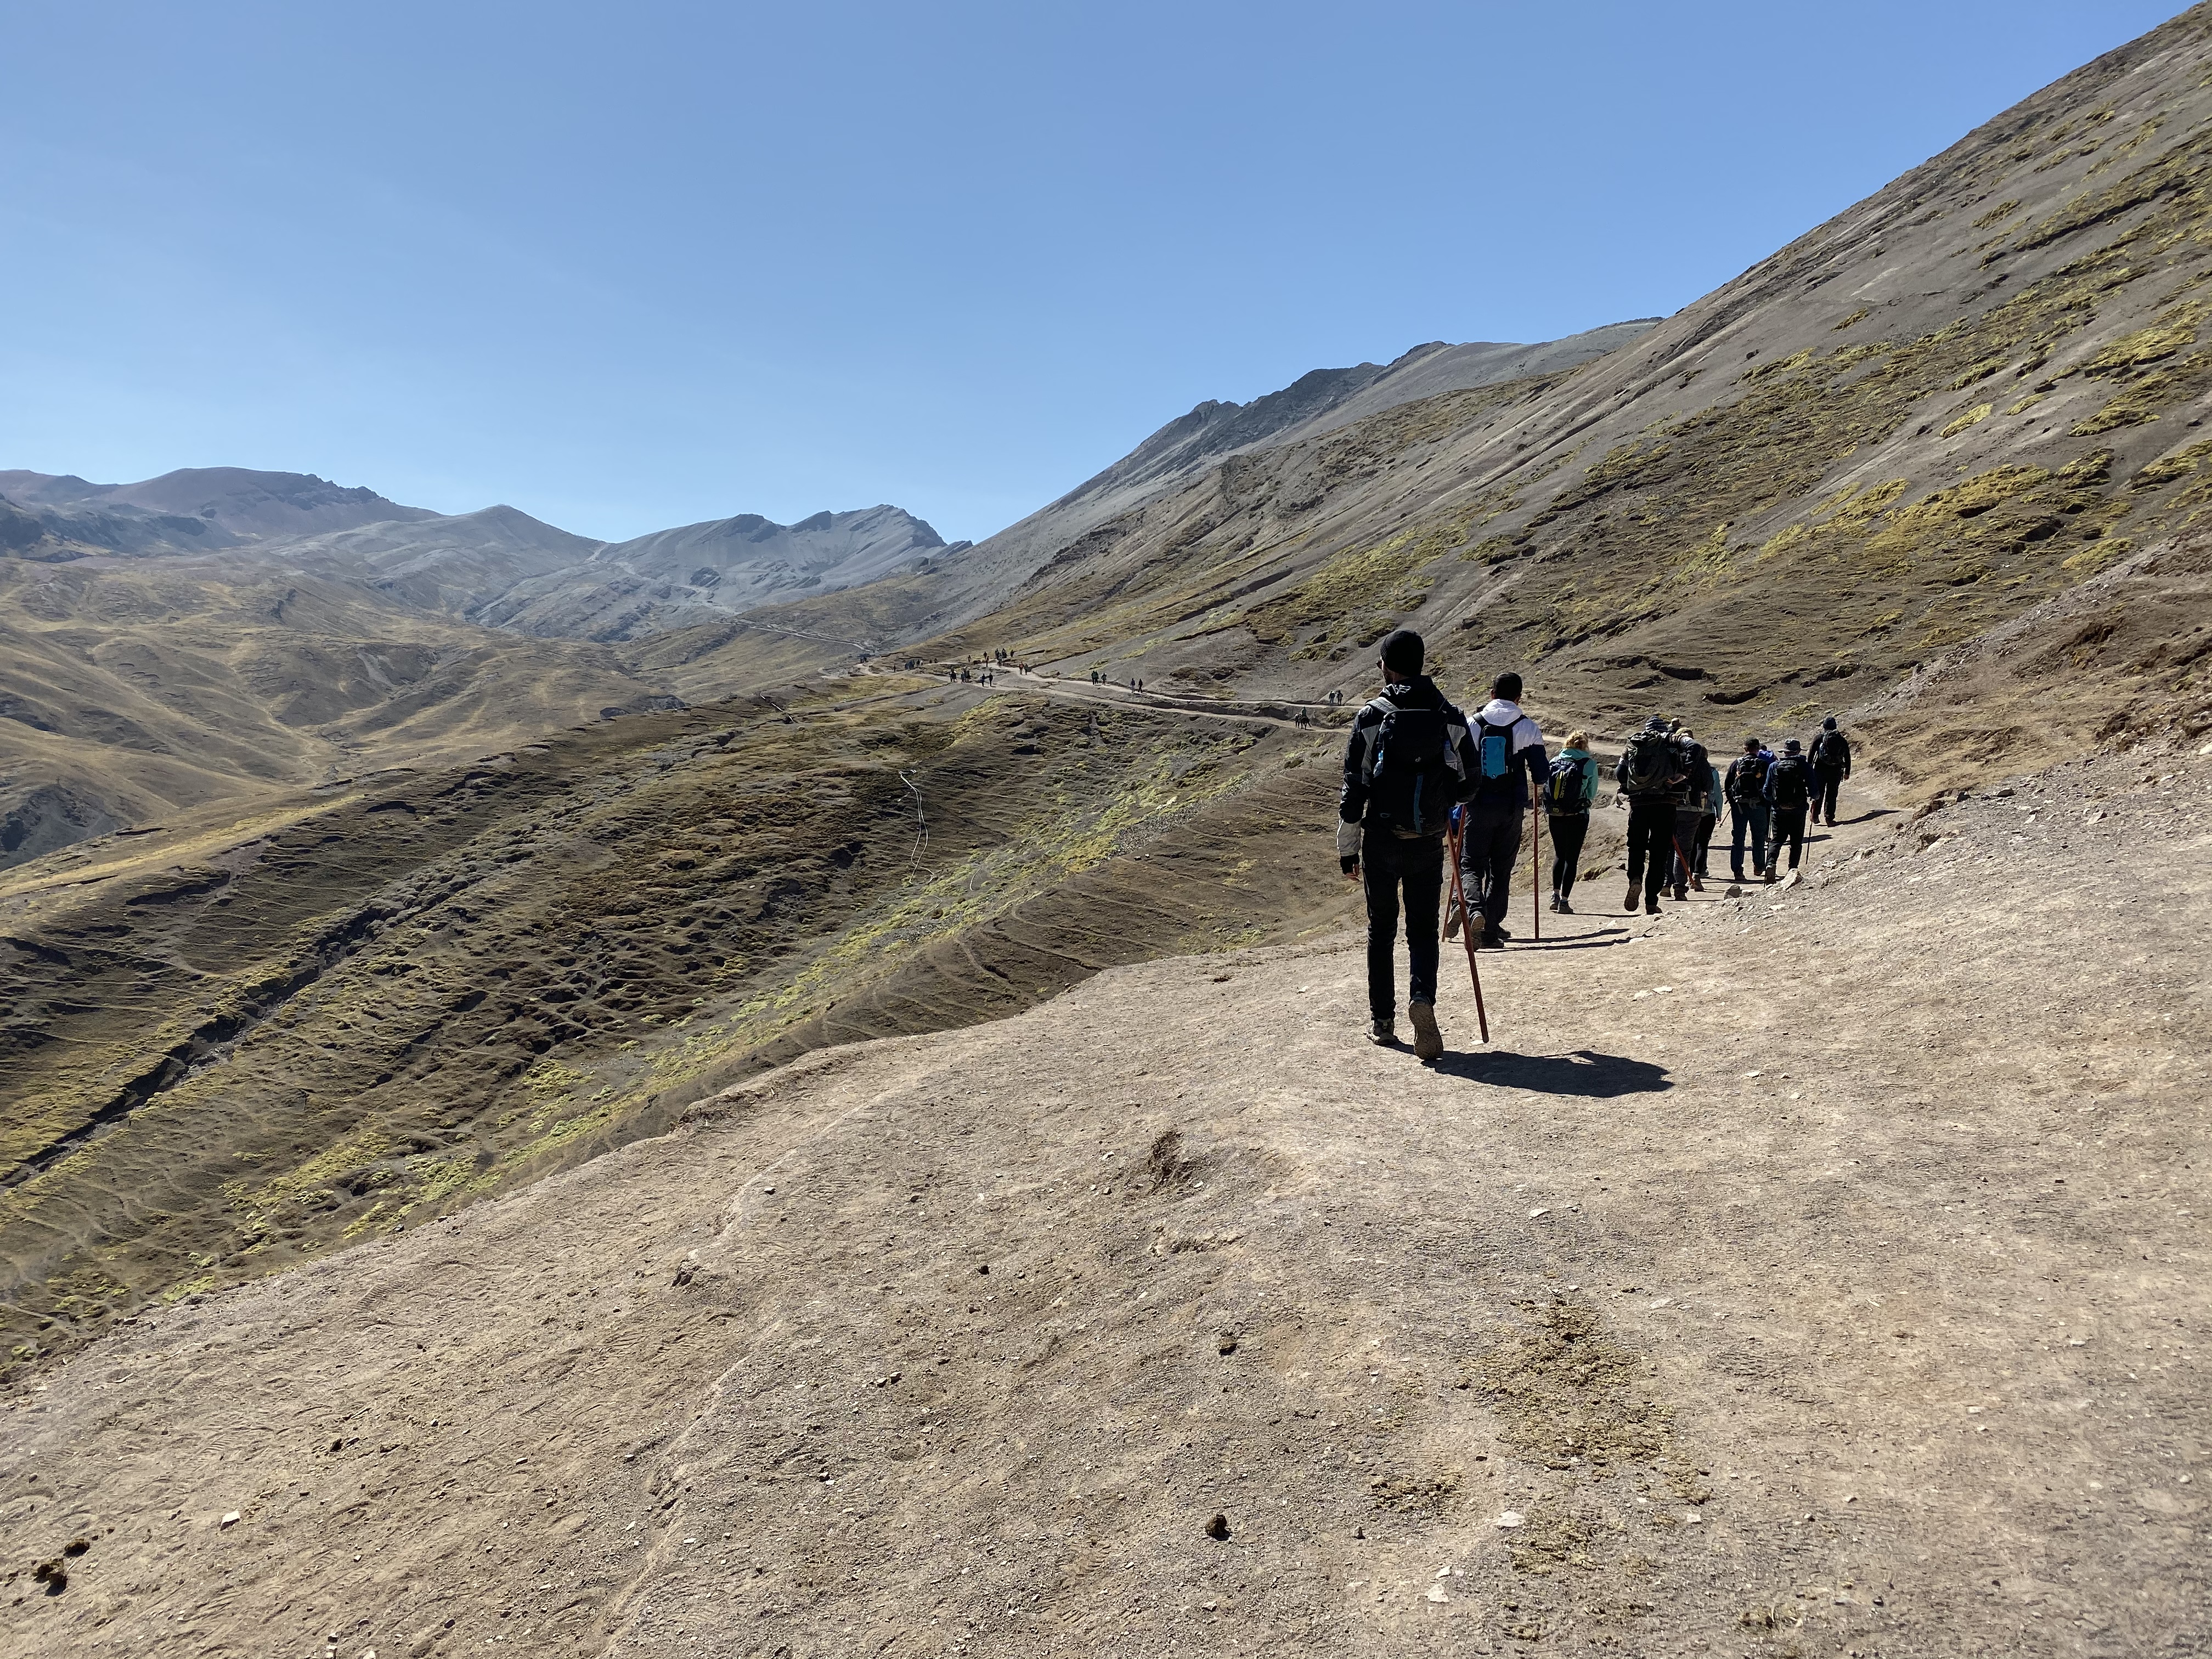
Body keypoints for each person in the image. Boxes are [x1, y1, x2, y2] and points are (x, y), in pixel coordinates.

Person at [1339, 629, 1483, 1060]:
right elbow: (1470, 783)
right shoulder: (1451, 715)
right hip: (1427, 840)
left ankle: (1382, 1023)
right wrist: (1444, 805)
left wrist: (1347, 848)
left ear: (1388, 665)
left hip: (1381, 841)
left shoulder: (1371, 715)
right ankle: (1423, 999)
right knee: (1422, 932)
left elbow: (1354, 787)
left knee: (1380, 930)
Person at [1451, 672, 1549, 951]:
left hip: (1478, 806)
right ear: (1519, 697)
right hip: (1511, 809)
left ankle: (1474, 909)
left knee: (1470, 864)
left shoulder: (1473, 723)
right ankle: (1490, 931)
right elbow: (1541, 774)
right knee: (1501, 870)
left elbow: (1459, 765)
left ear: (1491, 693)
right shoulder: (1528, 727)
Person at [1616, 716, 1686, 915]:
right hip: (1666, 805)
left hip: (1639, 805)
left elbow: (1620, 774)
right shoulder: (1671, 746)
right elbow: (1681, 773)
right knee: (1659, 853)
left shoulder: (1633, 745)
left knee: (1636, 847)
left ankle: (1635, 879)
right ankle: (1651, 901)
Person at [1543, 729, 1599, 912]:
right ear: (1585, 745)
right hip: (1578, 814)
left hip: (1555, 814)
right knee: (1572, 857)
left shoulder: (1555, 761)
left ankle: (1555, 895)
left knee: (1559, 854)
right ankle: (1565, 902)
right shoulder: (1588, 764)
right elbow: (1591, 793)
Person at [1668, 728, 1715, 900]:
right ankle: (1679, 888)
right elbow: (1709, 786)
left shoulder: (1671, 756)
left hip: (1669, 806)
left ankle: (1665, 883)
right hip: (1692, 808)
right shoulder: (1701, 761)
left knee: (1667, 846)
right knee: (1685, 849)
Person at [1724, 736, 1772, 884]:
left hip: (1739, 806)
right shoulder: (1763, 764)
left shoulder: (1736, 764)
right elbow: (1768, 787)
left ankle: (1738, 871)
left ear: (1745, 749)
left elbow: (1727, 785)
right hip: (1758, 806)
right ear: (1758, 749)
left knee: (1738, 838)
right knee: (1758, 838)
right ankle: (1759, 867)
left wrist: (1734, 803)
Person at [1764, 738, 1813, 877]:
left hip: (1778, 810)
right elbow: (1814, 790)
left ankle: (1771, 864)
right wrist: (1814, 798)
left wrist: (1774, 802)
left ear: (1785, 752)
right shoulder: (1804, 766)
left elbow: (1766, 791)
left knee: (1777, 839)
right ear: (1798, 751)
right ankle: (1792, 870)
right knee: (1796, 841)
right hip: (1798, 810)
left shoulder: (1774, 766)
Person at [1810, 715, 1853, 826]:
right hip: (1836, 771)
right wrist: (1847, 772)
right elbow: (1847, 756)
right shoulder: (1841, 739)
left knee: (1819, 793)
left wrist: (1809, 771)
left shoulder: (1819, 738)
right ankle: (1829, 819)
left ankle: (1815, 816)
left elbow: (1811, 755)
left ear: (1824, 727)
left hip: (1820, 770)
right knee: (1832, 794)